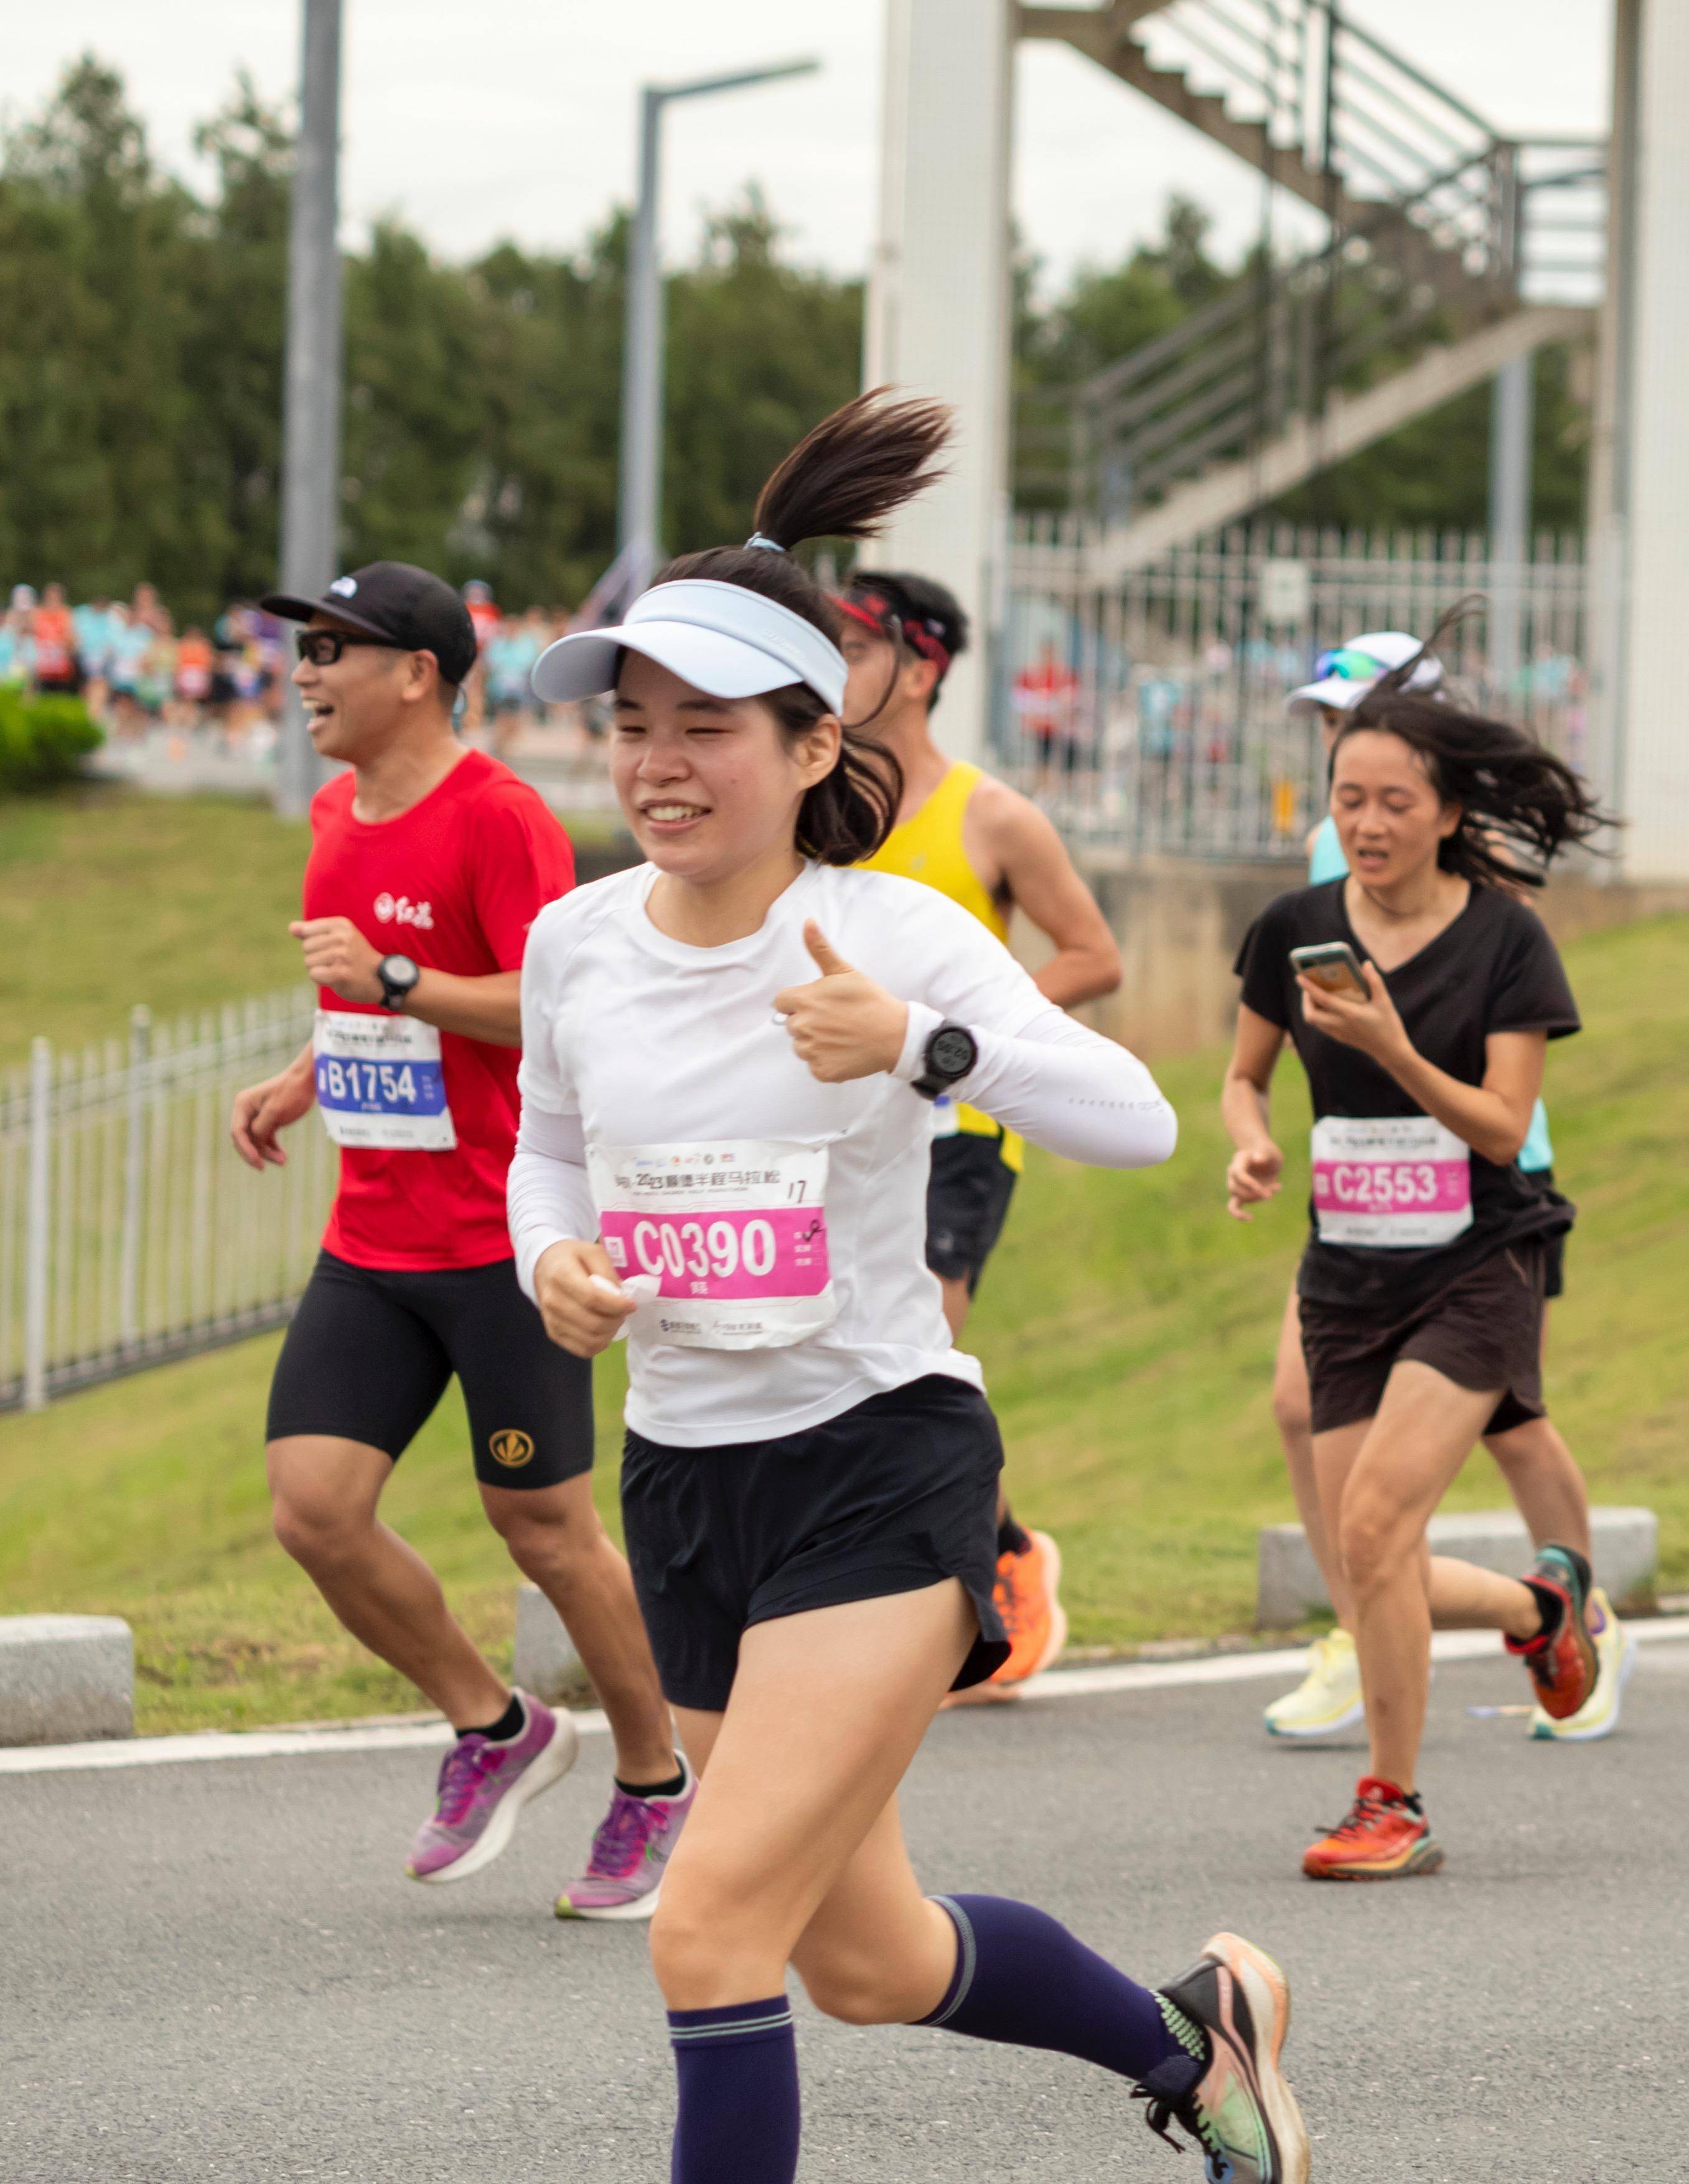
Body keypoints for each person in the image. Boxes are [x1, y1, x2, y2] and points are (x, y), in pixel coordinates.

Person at [513, 393, 1301, 2183]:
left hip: (880, 1460)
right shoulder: (578, 940)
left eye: (704, 726)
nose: (655, 761)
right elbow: (545, 1152)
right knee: (862, 1957)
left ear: (808, 744)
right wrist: (548, 1255)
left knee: (706, 1930)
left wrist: (926, 1045)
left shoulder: (893, 933)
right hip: (690, 1481)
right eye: (630, 724)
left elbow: (1134, 1116)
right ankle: (1197, 2039)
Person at [223, 561, 683, 1917]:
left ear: (415, 672)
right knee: (314, 1509)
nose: (304, 673)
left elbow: (555, 1014)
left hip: (505, 1234)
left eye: (329, 650)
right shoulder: (330, 808)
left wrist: (402, 980)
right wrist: (307, 1075)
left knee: (541, 1525)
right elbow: (362, 1000)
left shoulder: (501, 818)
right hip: (374, 1232)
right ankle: (497, 1731)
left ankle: (658, 1784)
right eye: (299, 649)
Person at [1222, 629, 1617, 1877]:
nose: (1371, 822)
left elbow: (1502, 1127)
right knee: (1360, 1555)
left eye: (1397, 802)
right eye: (1350, 800)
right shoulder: (1292, 922)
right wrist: (1250, 1144)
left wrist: (1392, 1047)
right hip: (1346, 1268)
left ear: (1449, 813)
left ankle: (1390, 1801)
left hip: (1475, 1261)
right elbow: (1243, 1075)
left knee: (1383, 1523)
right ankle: (1539, 1608)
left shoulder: (1505, 942)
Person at [828, 568, 1126, 1705]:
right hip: (844, 1127)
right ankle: (977, 1550)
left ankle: (993, 1572)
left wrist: (962, 1028)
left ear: (923, 665)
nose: (837, 671)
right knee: (858, 1360)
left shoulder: (993, 815)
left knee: (926, 1342)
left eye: (855, 647)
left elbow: (1095, 954)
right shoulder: (821, 806)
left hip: (960, 1123)